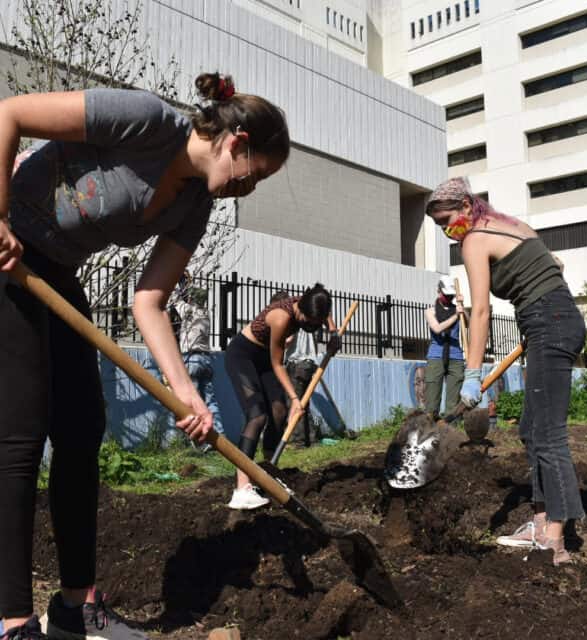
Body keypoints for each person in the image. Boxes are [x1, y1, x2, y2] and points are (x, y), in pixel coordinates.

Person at [0, 72, 289, 639]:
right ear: (236, 144)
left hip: (55, 271)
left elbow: (150, 301)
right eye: (254, 177)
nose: (245, 191)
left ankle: (73, 607)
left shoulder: (193, 204)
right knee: (21, 433)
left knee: (83, 427)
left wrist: (185, 393)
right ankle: (11, 620)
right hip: (8, 257)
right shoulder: (143, 120)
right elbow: (6, 114)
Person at [426, 177, 586, 566]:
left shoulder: (475, 239)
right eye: (439, 226)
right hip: (553, 319)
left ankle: (555, 541)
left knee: (547, 434)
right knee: (531, 428)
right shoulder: (514, 226)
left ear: (466, 206)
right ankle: (542, 519)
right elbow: (556, 265)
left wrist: (473, 372)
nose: (448, 230)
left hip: (548, 321)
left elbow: (480, 310)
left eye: (448, 219)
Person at [225, 284, 340, 510]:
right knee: (257, 415)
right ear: (302, 313)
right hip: (243, 355)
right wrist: (295, 399)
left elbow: (325, 314)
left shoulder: (312, 303)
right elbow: (277, 364)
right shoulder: (281, 318)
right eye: (311, 323)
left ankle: (268, 475)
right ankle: (242, 488)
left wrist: (333, 334)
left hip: (264, 359)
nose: (313, 328)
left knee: (278, 411)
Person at [174, 271, 224, 451]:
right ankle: (218, 436)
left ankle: (196, 443)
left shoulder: (189, 311)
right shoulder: (205, 314)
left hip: (191, 358)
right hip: (206, 359)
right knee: (210, 400)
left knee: (191, 403)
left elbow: (176, 302)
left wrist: (180, 285)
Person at [423, 275, 468, 417]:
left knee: (454, 401)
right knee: (432, 399)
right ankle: (430, 428)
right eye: (446, 295)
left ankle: (451, 429)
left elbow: (469, 323)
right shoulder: (430, 311)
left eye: (451, 296)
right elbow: (437, 328)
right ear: (439, 291)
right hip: (436, 356)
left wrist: (463, 307)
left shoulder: (458, 309)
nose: (448, 298)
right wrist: (455, 315)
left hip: (456, 357)